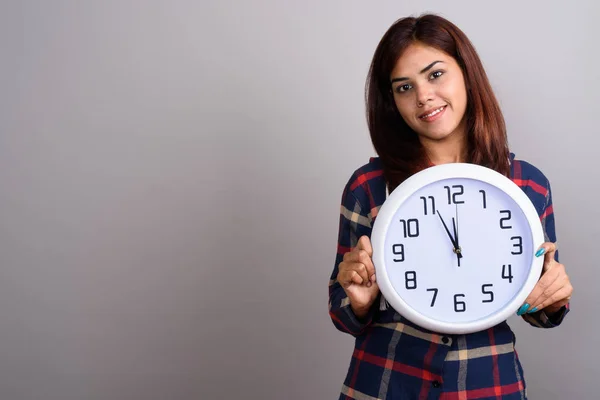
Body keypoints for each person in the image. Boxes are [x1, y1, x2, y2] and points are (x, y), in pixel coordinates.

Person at [328, 14, 573, 399]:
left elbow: (537, 307)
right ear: (392, 102)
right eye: (404, 87)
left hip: (487, 385)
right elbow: (341, 309)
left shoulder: (526, 185)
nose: (423, 95)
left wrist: (552, 298)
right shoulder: (369, 186)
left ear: (466, 75)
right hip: (385, 384)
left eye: (435, 74)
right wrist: (356, 302)